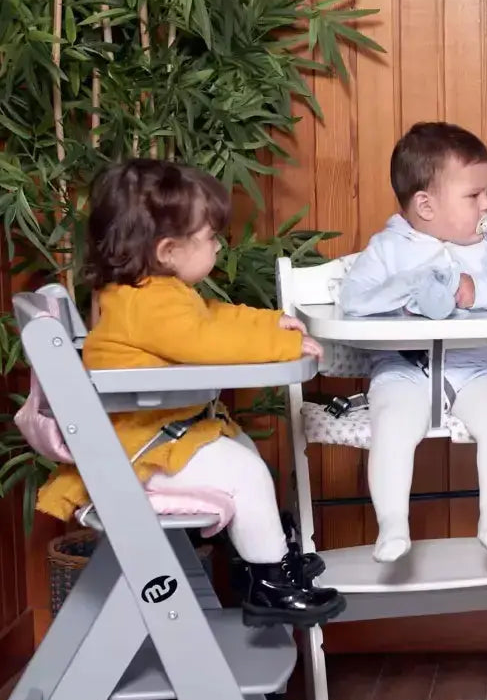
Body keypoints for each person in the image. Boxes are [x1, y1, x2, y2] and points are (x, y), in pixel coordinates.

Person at [34, 158, 345, 628]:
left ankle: (264, 561)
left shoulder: (151, 292)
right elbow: (204, 343)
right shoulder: (150, 305)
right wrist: (280, 344)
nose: (219, 245)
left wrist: (267, 322)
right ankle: (268, 585)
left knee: (243, 454)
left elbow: (210, 320)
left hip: (151, 437)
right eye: (211, 237)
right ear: (168, 250)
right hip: (139, 453)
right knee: (246, 475)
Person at [340, 121, 487, 562]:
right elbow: (353, 300)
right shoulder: (388, 250)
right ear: (426, 206)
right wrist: (405, 289)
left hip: (473, 370)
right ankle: (392, 524)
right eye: (475, 196)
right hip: (403, 369)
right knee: (392, 428)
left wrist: (476, 290)